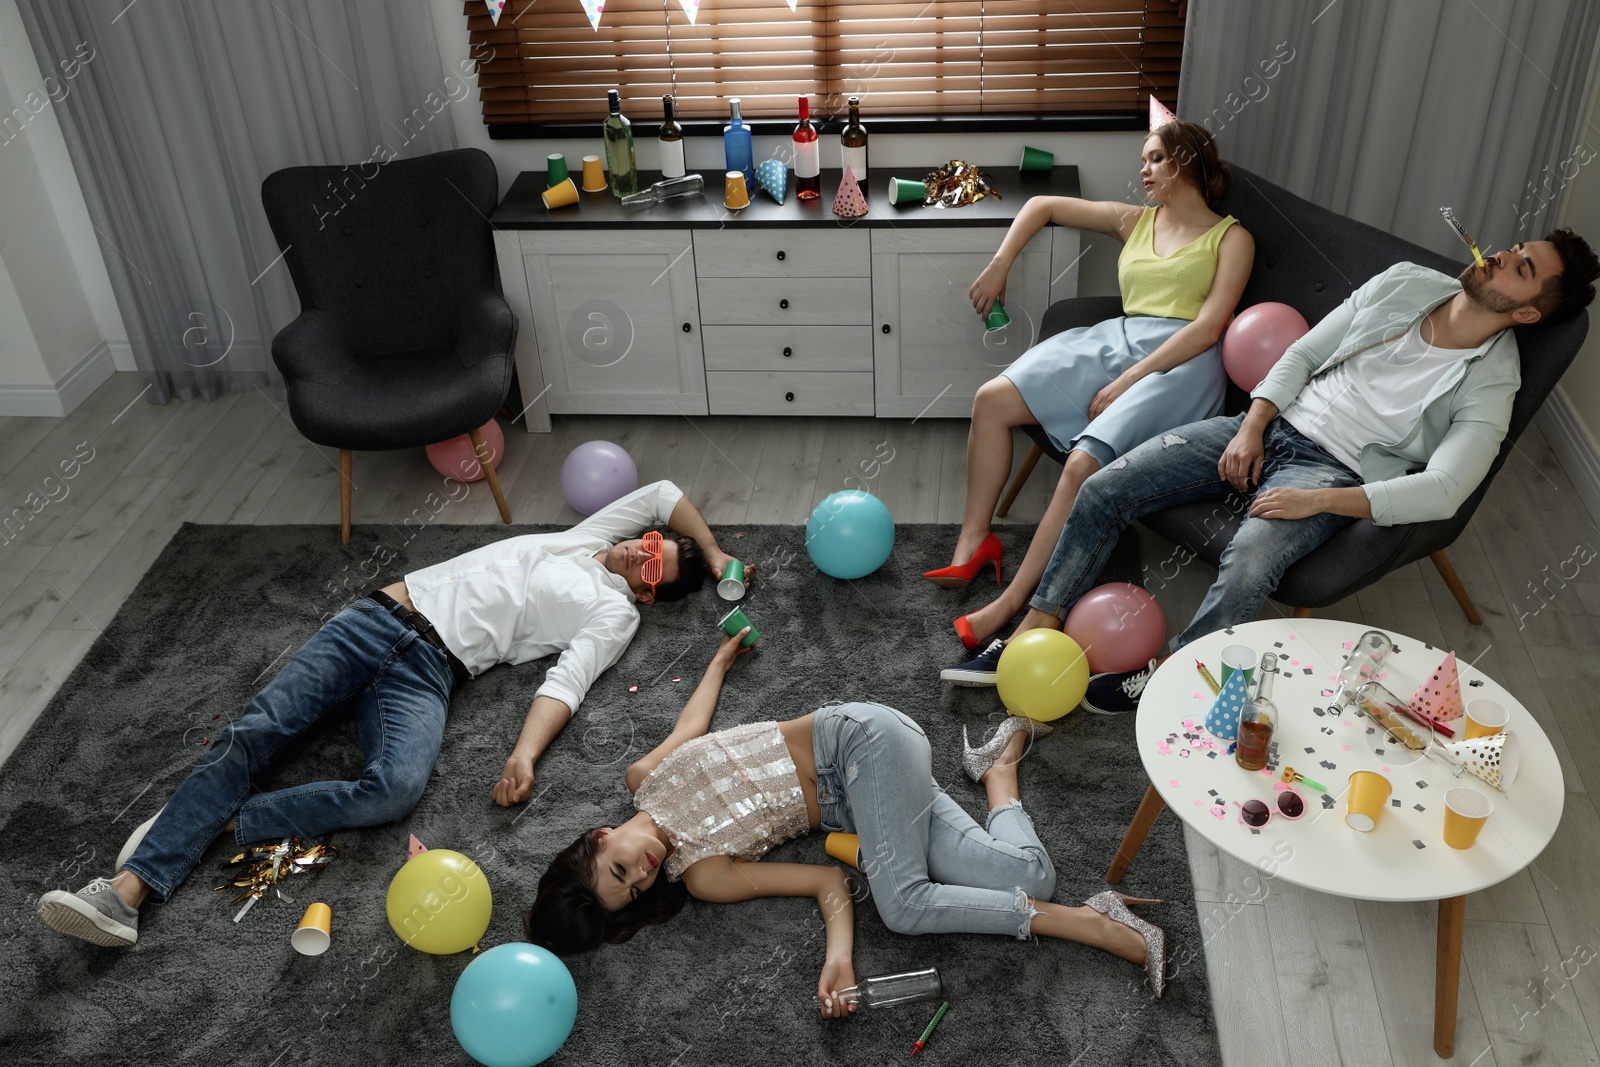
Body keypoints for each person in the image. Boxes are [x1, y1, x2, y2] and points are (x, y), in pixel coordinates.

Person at [37, 480, 746, 947]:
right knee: (254, 736)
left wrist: (525, 753)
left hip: (430, 671)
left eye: (654, 567)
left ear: (649, 595)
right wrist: (712, 552)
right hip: (375, 619)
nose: (642, 552)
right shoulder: (588, 536)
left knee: (397, 787)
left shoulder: (615, 609)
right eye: (651, 542)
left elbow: (568, 680)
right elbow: (661, 489)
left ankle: (220, 819)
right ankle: (125, 893)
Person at [942, 229, 1600, 711]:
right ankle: (1033, 629)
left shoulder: (1494, 382)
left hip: (1331, 475)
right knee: (1104, 486)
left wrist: (1320, 504)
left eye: (1523, 267)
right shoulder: (1405, 282)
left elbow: (1448, 487)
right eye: (1515, 246)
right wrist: (1253, 424)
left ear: (1528, 311)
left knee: (1252, 564)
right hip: (1270, 426)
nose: (1503, 255)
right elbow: (1304, 350)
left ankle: (1170, 677)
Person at [522, 631, 1170, 1013]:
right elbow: (826, 884)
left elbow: (690, 727)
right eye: (633, 889)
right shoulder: (703, 875)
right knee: (1032, 874)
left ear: (599, 835)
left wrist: (718, 660)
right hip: (876, 795)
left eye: (619, 867)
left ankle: (1096, 926)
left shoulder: (644, 777)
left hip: (860, 740)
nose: (643, 872)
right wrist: (839, 958)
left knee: (906, 906)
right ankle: (999, 769)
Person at [927, 119, 1253, 653]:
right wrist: (999, 264)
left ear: (1183, 162)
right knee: (991, 401)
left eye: (1153, 159)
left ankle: (1012, 603)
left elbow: (1209, 327)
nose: (1143, 170)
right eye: (1144, 160)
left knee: (1083, 463)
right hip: (1117, 341)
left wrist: (1129, 380)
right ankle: (973, 542)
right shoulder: (1136, 221)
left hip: (1182, 365)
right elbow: (1042, 206)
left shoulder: (1231, 237)